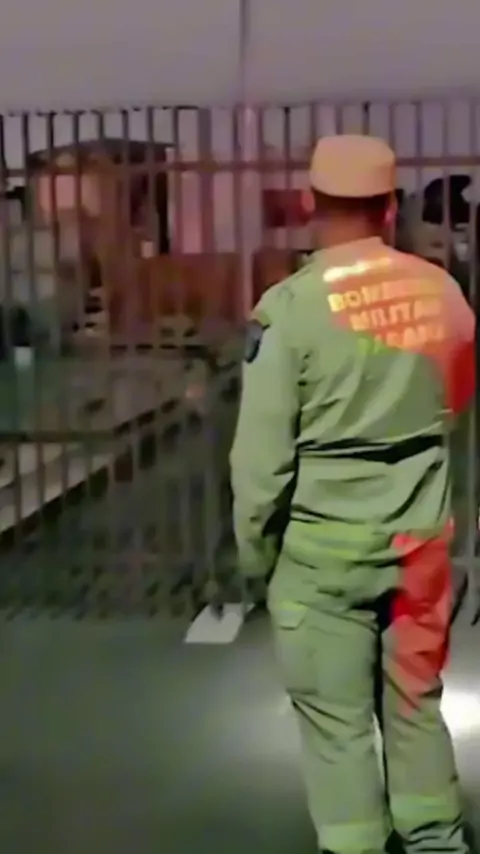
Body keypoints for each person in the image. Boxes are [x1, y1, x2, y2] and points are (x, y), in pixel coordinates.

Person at [230, 134, 475, 854]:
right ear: (390, 207)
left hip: (322, 556)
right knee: (416, 703)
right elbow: (457, 399)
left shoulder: (290, 309)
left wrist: (255, 556)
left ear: (312, 203)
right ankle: (436, 838)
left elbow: (262, 461)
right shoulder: (443, 292)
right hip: (419, 543)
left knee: (337, 728)